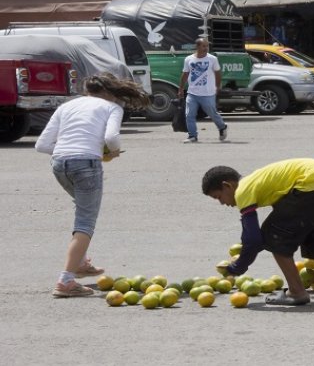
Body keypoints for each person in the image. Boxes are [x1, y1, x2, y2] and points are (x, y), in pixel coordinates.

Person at [35, 73, 150, 297]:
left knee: (82, 211)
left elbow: (42, 145)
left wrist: (67, 151)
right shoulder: (111, 107)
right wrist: (111, 152)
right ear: (109, 92)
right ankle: (66, 281)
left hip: (59, 164)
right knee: (85, 222)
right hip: (86, 165)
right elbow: (111, 138)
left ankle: (80, 263)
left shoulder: (68, 106)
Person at [203, 159, 314, 305]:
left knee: (274, 236)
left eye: (219, 197)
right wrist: (252, 248)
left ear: (227, 186)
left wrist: (236, 267)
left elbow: (253, 239)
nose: (222, 203)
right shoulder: (261, 181)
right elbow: (286, 220)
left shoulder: (243, 190)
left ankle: (296, 292)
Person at [178, 38, 228, 144]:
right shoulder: (188, 59)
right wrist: (181, 88)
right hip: (192, 93)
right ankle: (192, 136)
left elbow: (218, 73)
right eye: (203, 46)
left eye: (207, 46)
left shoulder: (212, 59)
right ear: (197, 47)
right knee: (189, 115)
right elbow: (185, 74)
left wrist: (217, 86)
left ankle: (222, 127)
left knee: (212, 113)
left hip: (208, 93)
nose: (206, 48)